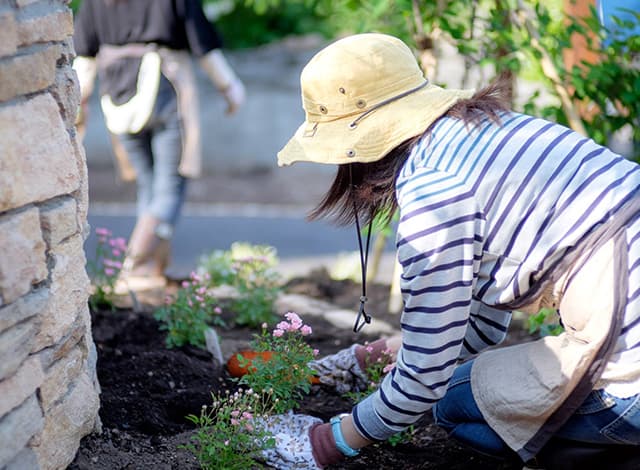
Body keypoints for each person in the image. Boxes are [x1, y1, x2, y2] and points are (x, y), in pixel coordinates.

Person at [259, 33, 640, 469]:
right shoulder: (491, 131)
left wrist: (325, 443)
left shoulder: (432, 193)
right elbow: (484, 326)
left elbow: (424, 380)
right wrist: (371, 357)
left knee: (455, 405)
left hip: (634, 370)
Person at [73, 0, 245, 295]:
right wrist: (229, 87)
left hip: (116, 97)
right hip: (166, 88)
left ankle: (152, 270)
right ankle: (135, 265)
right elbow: (203, 44)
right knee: (170, 188)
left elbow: (84, 57)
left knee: (150, 187)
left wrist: (78, 104)